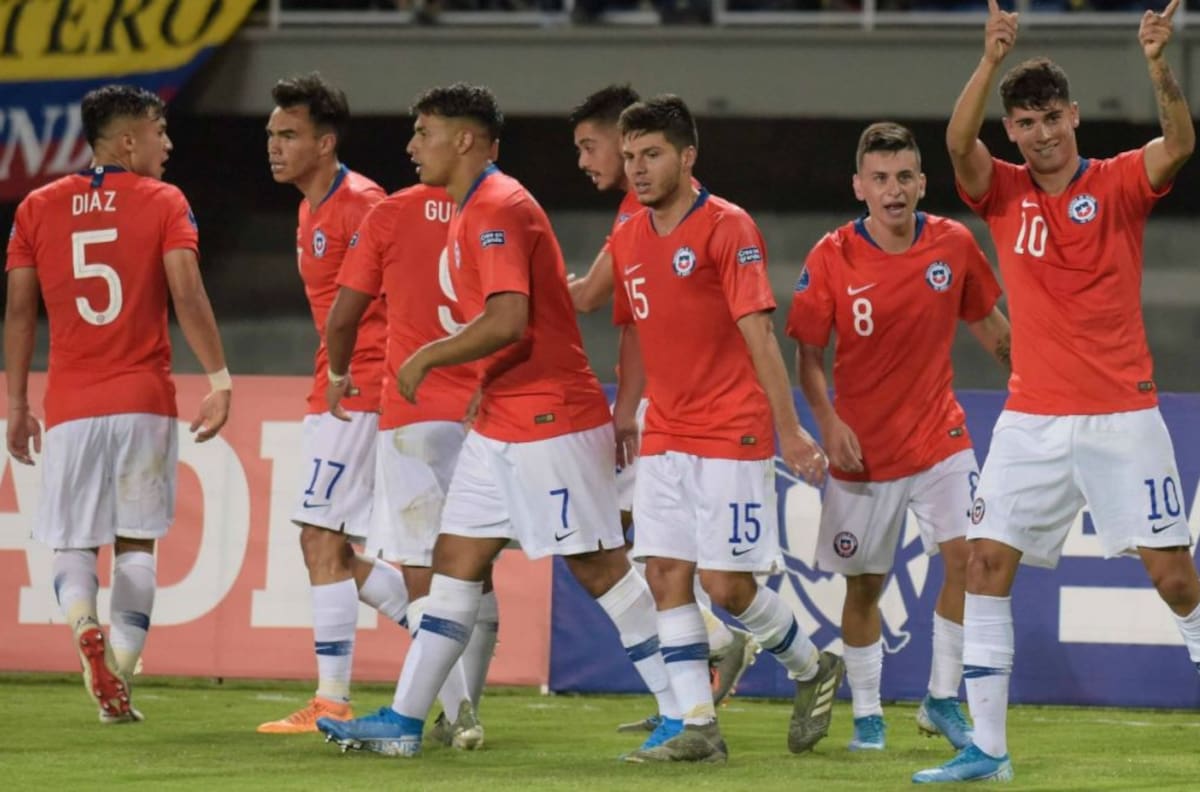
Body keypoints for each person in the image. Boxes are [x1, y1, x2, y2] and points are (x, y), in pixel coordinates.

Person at [317, 83, 676, 759]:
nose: (412, 145)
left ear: (464, 140)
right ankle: (405, 721)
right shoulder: (469, 208)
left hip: (548, 416)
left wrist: (430, 355)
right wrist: (480, 385)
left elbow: (510, 319)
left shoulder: (497, 207)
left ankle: (684, 711)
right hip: (501, 420)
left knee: (598, 567)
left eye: (424, 132)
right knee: (454, 562)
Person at [914, 0, 1200, 782]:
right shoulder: (1002, 192)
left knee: (1176, 580)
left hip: (1122, 415)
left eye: (1051, 118)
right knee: (984, 564)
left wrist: (1157, 64)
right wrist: (989, 60)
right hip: (1031, 418)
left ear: (1073, 116)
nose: (1041, 133)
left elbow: (1180, 144)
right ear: (1012, 131)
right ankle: (989, 749)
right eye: (1026, 122)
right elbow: (956, 143)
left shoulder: (1118, 182)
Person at [608, 94, 840, 764]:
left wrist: (790, 430)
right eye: (629, 156)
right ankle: (698, 725)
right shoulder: (627, 236)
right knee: (664, 574)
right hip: (666, 432)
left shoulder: (727, 227)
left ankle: (812, 667)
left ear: (687, 157)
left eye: (652, 154)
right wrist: (628, 408)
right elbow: (634, 328)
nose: (638, 168)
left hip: (731, 432)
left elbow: (760, 335)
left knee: (727, 587)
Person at [4, 84, 231, 723]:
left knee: (74, 544)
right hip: (143, 399)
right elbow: (187, 292)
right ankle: (119, 677)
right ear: (128, 141)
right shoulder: (164, 201)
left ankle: (84, 626)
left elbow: (19, 311)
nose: (168, 144)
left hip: (71, 403)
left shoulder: (36, 207)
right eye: (160, 132)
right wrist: (219, 378)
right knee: (136, 544)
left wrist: (17, 403)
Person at [788, 122, 1011, 754]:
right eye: (881, 178)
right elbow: (808, 356)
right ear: (859, 186)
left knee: (972, 560)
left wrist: (1037, 381)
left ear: (922, 183)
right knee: (865, 587)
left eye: (905, 177)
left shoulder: (953, 245)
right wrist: (828, 423)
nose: (894, 190)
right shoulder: (831, 256)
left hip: (941, 438)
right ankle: (868, 715)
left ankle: (941, 698)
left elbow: (991, 327)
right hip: (864, 454)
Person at [569, 84, 760, 717]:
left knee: (609, 546)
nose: (588, 162)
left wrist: (627, 407)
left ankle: (717, 652)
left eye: (590, 146)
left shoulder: (654, 215)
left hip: (692, 411)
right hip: (667, 410)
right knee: (644, 554)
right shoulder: (638, 219)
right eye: (626, 156)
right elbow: (632, 314)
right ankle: (688, 699)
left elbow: (599, 302)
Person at [256, 73, 411, 735]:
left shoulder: (364, 204)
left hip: (364, 391)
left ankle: (332, 698)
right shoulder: (310, 210)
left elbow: (406, 298)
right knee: (331, 546)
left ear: (325, 143)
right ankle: (446, 639)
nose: (274, 146)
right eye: (271, 134)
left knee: (321, 537)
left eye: (288, 135)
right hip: (336, 390)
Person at [323, 180, 492, 749]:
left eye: (422, 137)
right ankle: (462, 708)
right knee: (475, 568)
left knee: (422, 569)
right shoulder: (494, 208)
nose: (415, 144)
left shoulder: (392, 212)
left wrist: (337, 373)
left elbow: (344, 315)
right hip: (484, 412)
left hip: (413, 411)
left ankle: (458, 712)